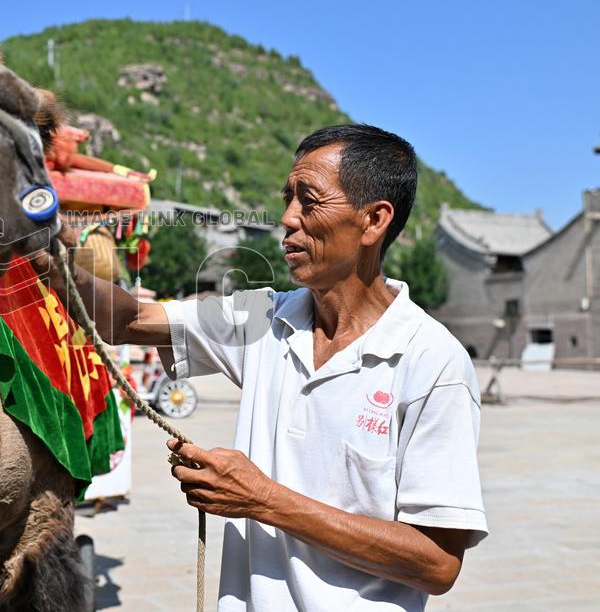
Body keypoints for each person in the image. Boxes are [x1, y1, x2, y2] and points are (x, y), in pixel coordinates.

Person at [44, 124, 487, 611]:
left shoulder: (431, 361)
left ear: (374, 220)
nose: (287, 219)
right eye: (287, 199)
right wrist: (50, 257)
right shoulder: (264, 318)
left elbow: (436, 563)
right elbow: (130, 320)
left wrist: (262, 499)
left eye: (309, 201)